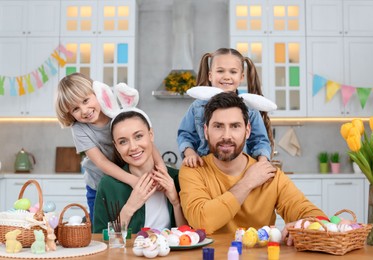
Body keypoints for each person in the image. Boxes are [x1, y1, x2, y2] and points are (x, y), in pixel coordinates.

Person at [179, 92, 327, 245]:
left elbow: (308, 212)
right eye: (218, 126)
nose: (226, 135)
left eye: (235, 126)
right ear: (206, 131)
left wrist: (306, 224)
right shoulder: (193, 170)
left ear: (247, 130)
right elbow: (202, 222)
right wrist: (248, 182)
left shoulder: (268, 174)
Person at [55, 73, 166, 223]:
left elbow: (148, 142)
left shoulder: (117, 113)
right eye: (75, 109)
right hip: (98, 184)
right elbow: (101, 162)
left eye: (86, 101)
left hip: (124, 176)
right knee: (100, 228)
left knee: (128, 220)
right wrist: (133, 180)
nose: (85, 110)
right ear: (70, 113)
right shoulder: (79, 129)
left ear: (97, 93)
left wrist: (162, 169)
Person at [93, 109, 186, 233]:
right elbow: (101, 240)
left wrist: (176, 202)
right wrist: (129, 208)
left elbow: (189, 237)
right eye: (123, 141)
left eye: (138, 136)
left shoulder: (178, 178)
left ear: (151, 135)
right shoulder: (108, 185)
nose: (133, 147)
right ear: (116, 146)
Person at [177, 48, 273, 168]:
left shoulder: (250, 108)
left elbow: (260, 140)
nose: (226, 76)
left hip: (240, 171)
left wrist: (263, 161)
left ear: (241, 77)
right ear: (210, 75)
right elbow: (185, 134)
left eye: (233, 72)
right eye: (220, 71)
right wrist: (190, 153)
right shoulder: (197, 106)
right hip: (205, 169)